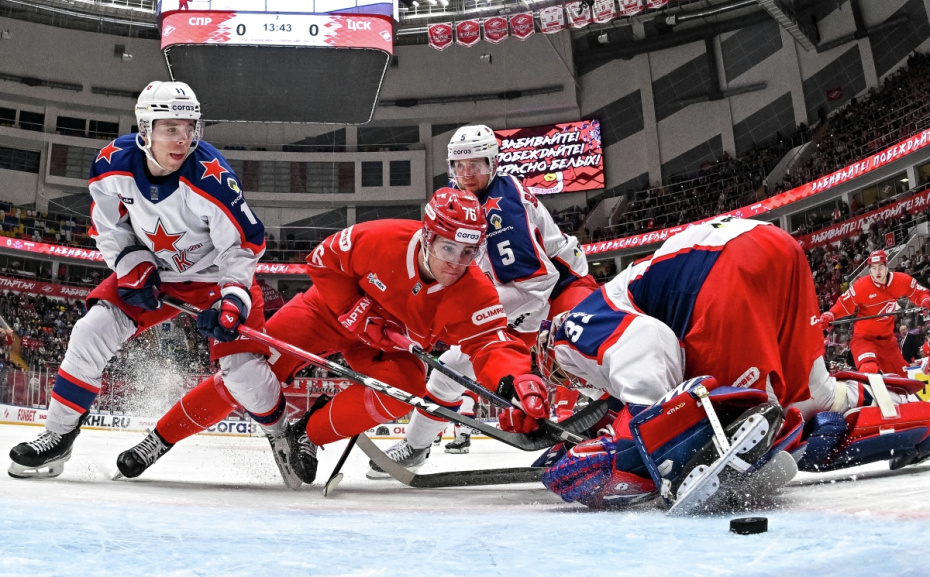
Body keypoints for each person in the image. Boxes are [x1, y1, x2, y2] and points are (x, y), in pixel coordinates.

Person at [118, 187, 550, 485]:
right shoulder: (379, 238)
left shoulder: (474, 289)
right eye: (447, 248)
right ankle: (160, 439)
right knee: (246, 375)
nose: (457, 262)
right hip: (323, 314)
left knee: (409, 389)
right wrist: (355, 310)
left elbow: (491, 345)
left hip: (383, 346)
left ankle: (307, 434)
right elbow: (320, 262)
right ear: (426, 235)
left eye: (469, 252)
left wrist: (516, 384)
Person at [8, 81, 297, 486]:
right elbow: (108, 228)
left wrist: (233, 298)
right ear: (144, 130)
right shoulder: (111, 165)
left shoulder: (212, 177)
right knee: (90, 331)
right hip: (155, 275)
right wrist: (131, 263)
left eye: (190, 127)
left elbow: (243, 246)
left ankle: (284, 434)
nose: (183, 139)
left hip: (215, 279)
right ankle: (58, 433)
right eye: (170, 129)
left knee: (245, 372)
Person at [535, 218, 930, 509]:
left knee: (736, 420)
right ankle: (904, 407)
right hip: (777, 246)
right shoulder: (620, 297)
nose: (569, 380)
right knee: (817, 404)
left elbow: (648, 347)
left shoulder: (571, 330)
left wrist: (627, 450)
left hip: (721, 267)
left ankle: (765, 448)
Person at [368, 125, 594, 475]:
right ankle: (415, 447)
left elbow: (534, 282)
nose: (467, 174)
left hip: (562, 290)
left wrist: (452, 317)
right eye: (460, 166)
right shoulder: (458, 200)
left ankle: (614, 430)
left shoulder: (502, 206)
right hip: (525, 297)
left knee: (580, 355)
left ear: (494, 163)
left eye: (476, 164)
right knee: (449, 370)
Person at [820, 250, 930, 375]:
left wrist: (925, 300)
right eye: (873, 268)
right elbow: (843, 305)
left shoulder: (901, 280)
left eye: (880, 267)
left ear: (887, 266)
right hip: (864, 339)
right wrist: (830, 315)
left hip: (888, 341)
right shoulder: (861, 286)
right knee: (869, 369)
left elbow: (919, 293)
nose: (877, 272)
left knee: (902, 377)